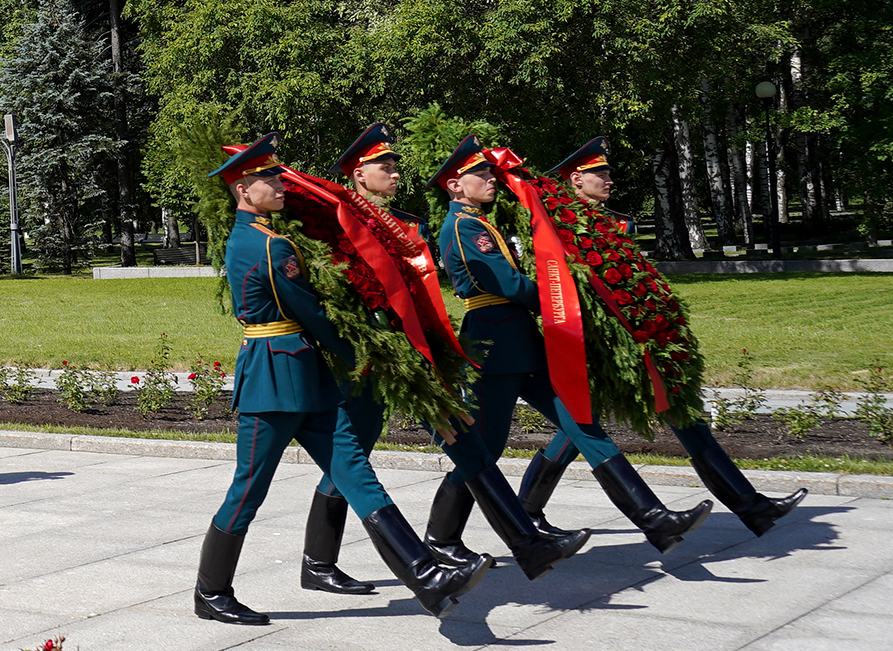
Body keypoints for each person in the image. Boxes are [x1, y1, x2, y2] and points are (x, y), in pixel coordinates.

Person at [194, 136, 494, 624]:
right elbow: (312, 313)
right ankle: (210, 591)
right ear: (244, 189)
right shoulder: (264, 244)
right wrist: (366, 352)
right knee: (248, 489)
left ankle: (425, 574)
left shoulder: (273, 237)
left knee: (355, 471)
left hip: (305, 377)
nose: (279, 184)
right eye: (269, 179)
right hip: (272, 380)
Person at [305, 123, 586, 596]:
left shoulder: (407, 226)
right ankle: (318, 562)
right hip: (372, 358)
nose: (394, 173)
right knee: (352, 454)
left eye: (395, 166)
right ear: (358, 174)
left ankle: (518, 542)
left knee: (465, 442)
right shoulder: (339, 225)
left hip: (418, 353)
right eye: (384, 167)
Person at [433, 136, 710, 561]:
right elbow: (505, 284)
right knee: (485, 448)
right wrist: (561, 295)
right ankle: (443, 538)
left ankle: (653, 518)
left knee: (583, 421)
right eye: (480, 174)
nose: (491, 179)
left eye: (491, 171)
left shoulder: (480, 222)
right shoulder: (462, 226)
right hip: (494, 343)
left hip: (520, 340)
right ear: (455, 185)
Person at [529, 139, 803, 538]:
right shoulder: (558, 227)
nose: (608, 179)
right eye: (599, 173)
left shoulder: (620, 224)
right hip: (596, 344)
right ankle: (526, 511)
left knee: (675, 412)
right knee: (580, 427)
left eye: (607, 172)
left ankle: (751, 506)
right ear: (575, 180)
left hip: (639, 339)